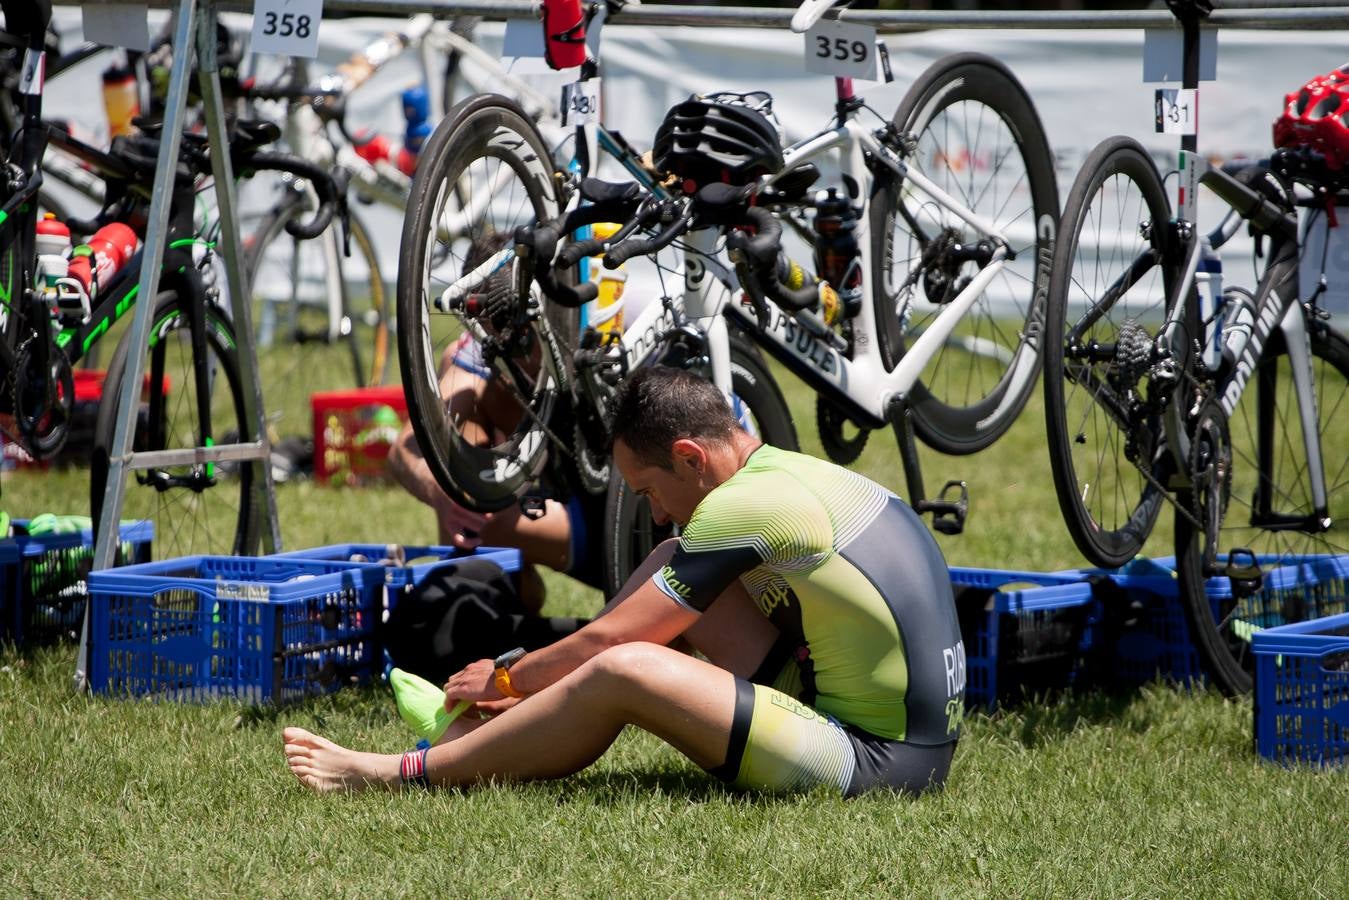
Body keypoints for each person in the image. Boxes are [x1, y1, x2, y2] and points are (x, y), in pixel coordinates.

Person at [284, 366, 965, 797]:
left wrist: (508, 676)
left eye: (648, 488)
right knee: (669, 560)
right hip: (880, 721)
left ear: (689, 457)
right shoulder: (780, 471)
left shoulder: (740, 508)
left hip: (880, 764)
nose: (653, 508)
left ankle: (399, 772)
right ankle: (492, 734)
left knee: (625, 669)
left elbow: (614, 638)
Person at [385, 233, 607, 613]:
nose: (505, 348)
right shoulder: (480, 345)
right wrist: (441, 490)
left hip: (630, 524)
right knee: (458, 431)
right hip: (561, 510)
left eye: (517, 333)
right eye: (491, 336)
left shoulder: (596, 328)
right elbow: (403, 449)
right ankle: (498, 593)